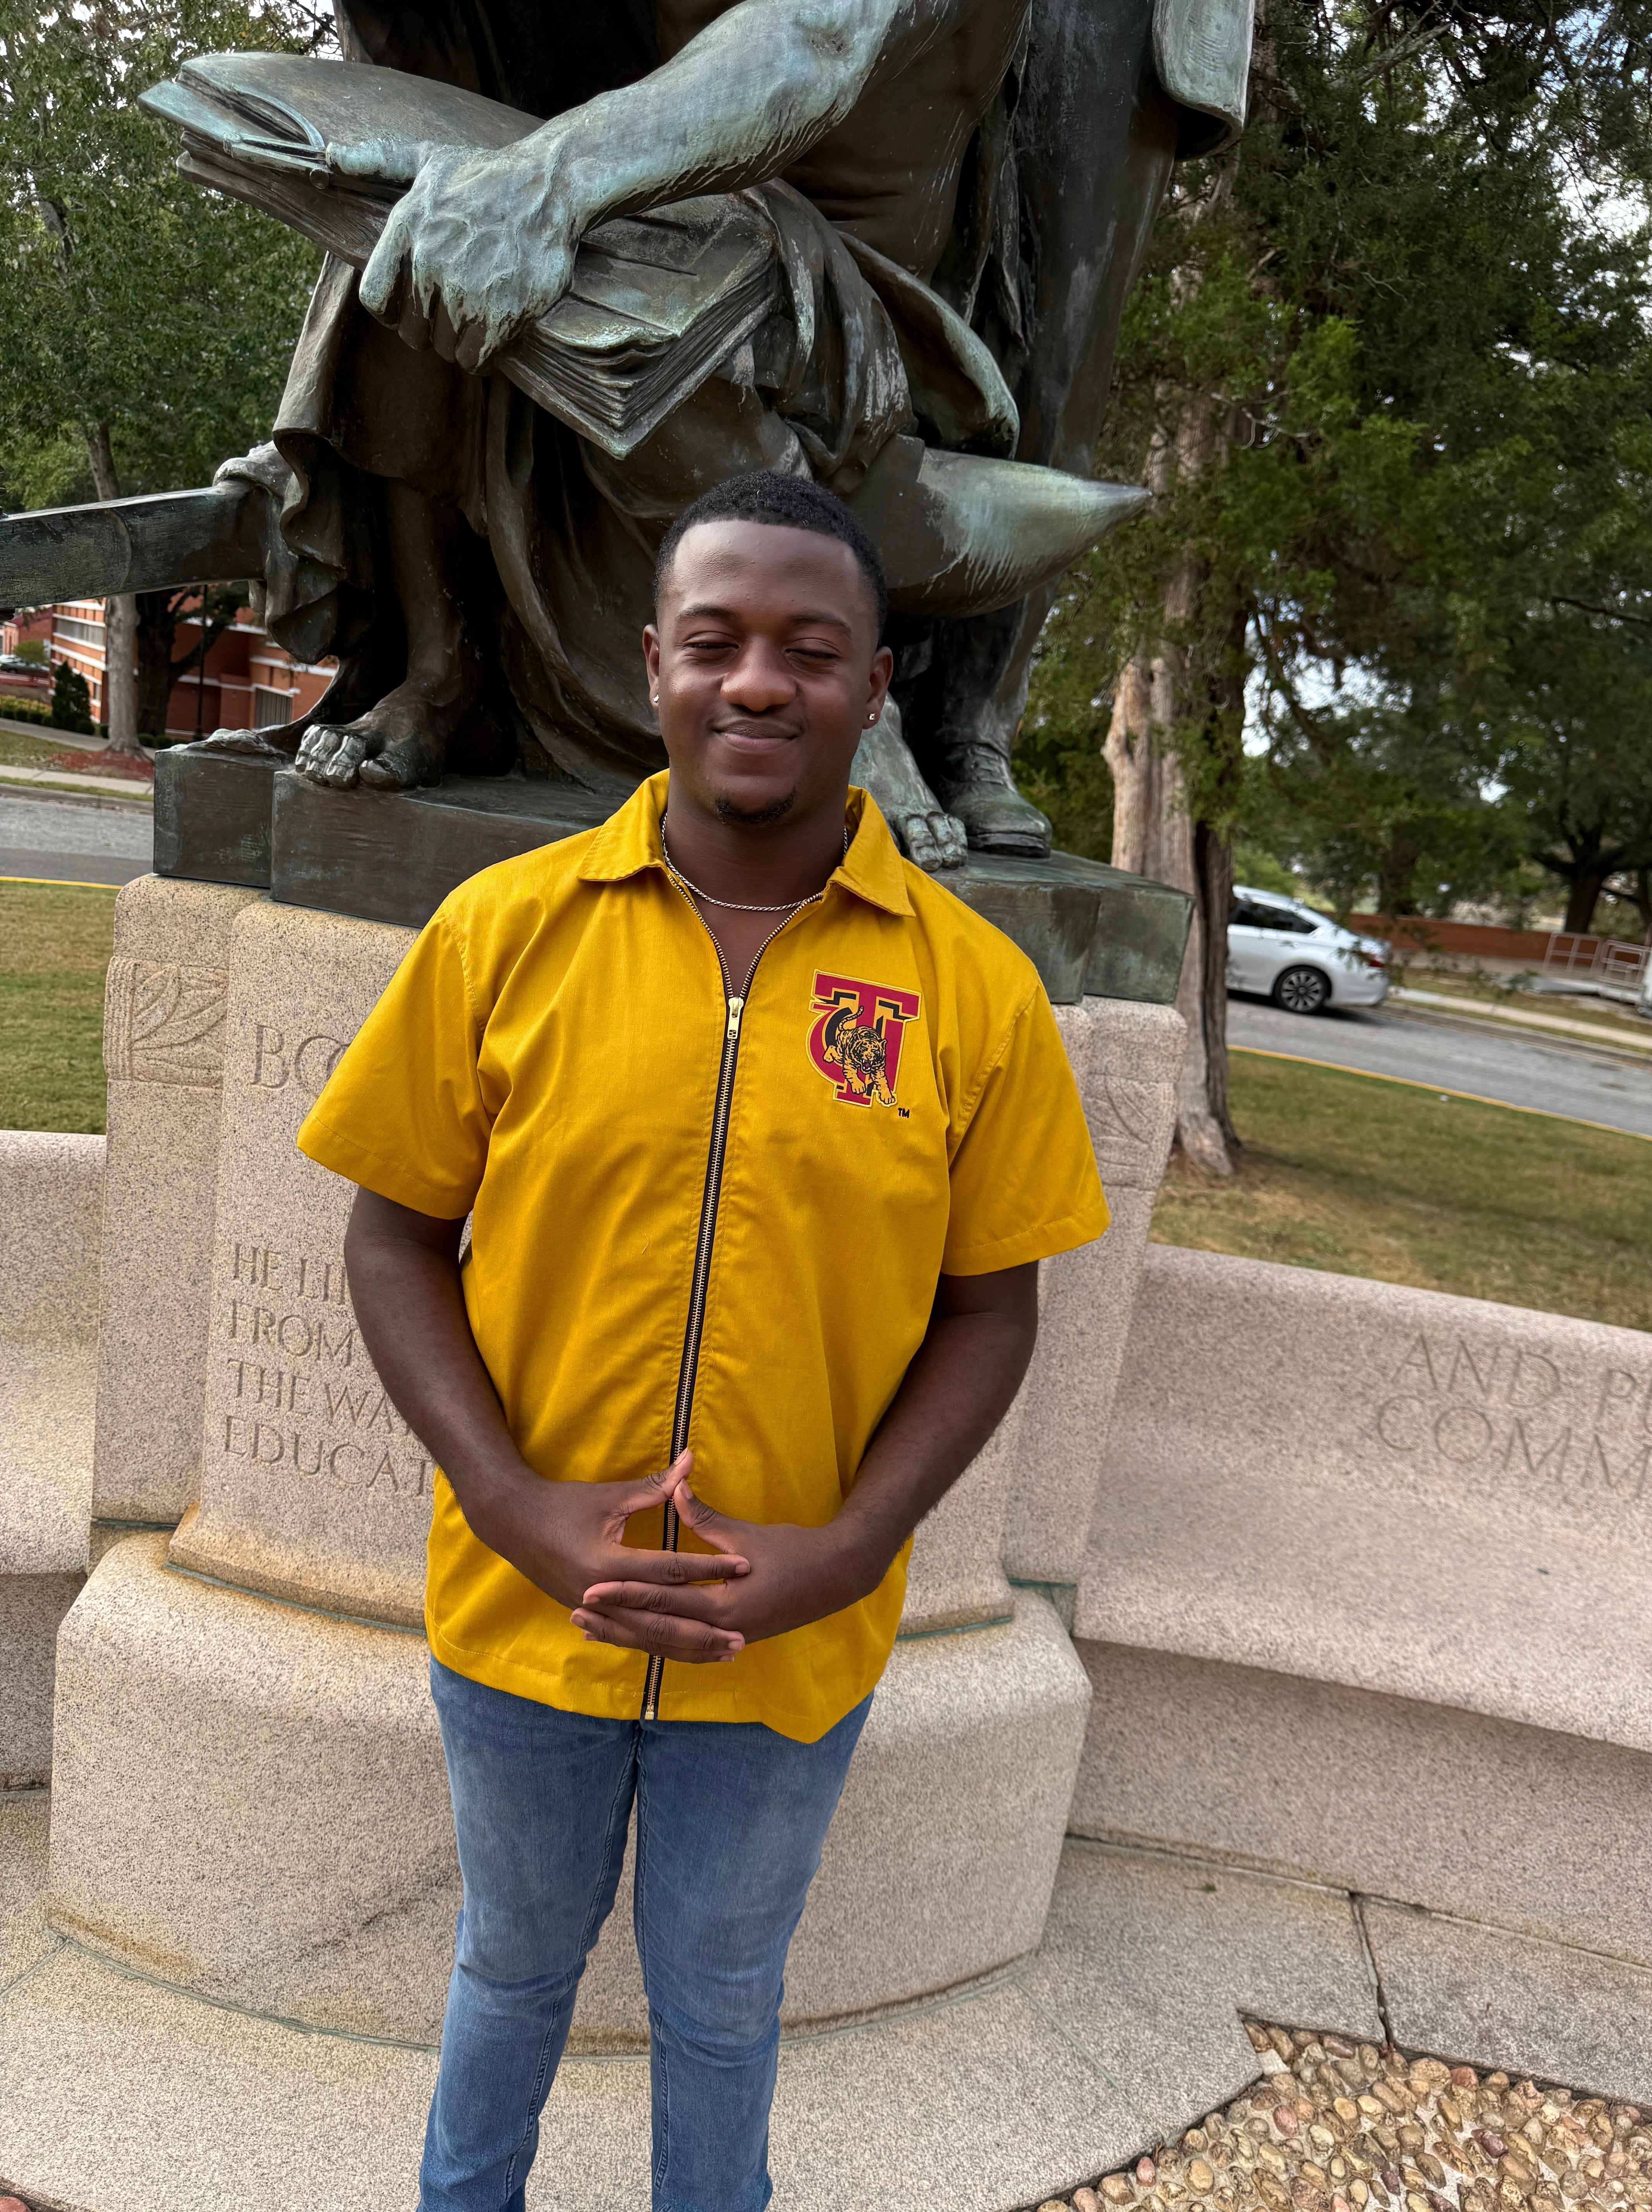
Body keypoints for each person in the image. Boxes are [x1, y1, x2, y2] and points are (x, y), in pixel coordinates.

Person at [295, 471, 1109, 2212]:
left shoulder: (973, 990)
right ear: (652, 662)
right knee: (510, 1970)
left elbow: (992, 1305)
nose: (758, 682)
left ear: (874, 687)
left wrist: (853, 1546)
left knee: (724, 2003)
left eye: (810, 650)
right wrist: (507, 1498)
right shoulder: (506, 931)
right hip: (528, 1609)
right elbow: (393, 1235)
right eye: (717, 640)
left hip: (788, 1632)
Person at [208, 0, 1247, 866]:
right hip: (666, 200)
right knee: (412, 225)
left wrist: (545, 184)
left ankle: (886, 711)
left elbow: (812, 41)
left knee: (1044, 315)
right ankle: (443, 669)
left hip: (840, 288)